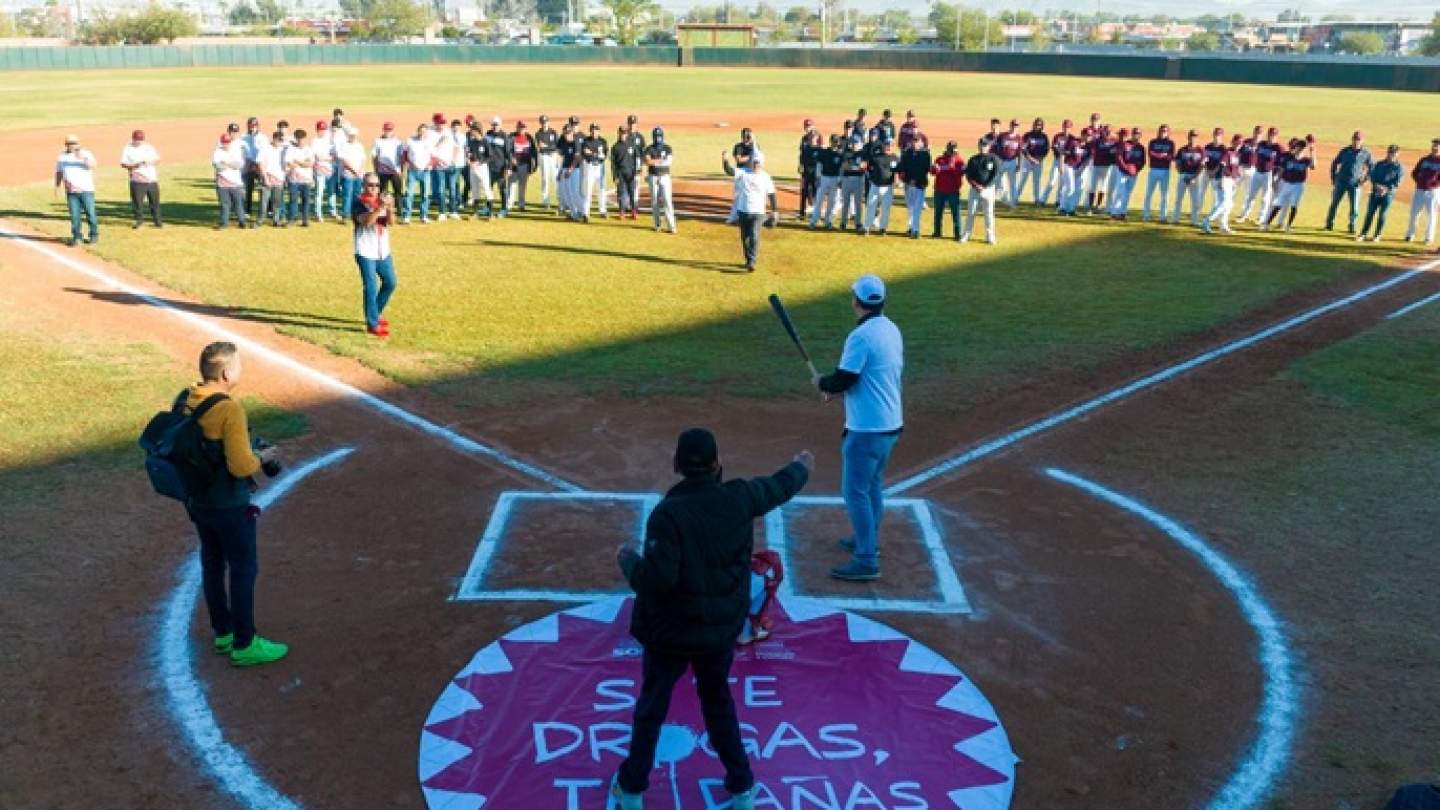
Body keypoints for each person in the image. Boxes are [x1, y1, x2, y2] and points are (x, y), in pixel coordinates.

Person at [610, 429, 812, 810]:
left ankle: (632, 790)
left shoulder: (668, 514)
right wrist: (801, 466)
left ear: (677, 467)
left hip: (669, 632)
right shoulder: (738, 497)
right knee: (717, 702)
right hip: (719, 631)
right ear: (717, 464)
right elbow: (778, 487)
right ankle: (741, 787)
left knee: (652, 706)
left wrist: (629, 561)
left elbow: (657, 581)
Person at [181, 341, 288, 667]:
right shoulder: (229, 408)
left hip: (199, 502)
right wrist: (264, 456)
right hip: (229, 504)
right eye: (239, 365)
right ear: (227, 373)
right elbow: (241, 466)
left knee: (213, 565)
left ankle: (223, 633)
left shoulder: (187, 398)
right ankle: (245, 643)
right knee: (243, 569)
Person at [813, 275, 903, 582]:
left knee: (854, 491)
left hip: (867, 428)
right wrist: (834, 388)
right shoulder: (891, 329)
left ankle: (866, 557)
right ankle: (867, 538)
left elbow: (845, 379)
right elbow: (867, 377)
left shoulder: (861, 337)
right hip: (891, 423)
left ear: (856, 301)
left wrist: (823, 384)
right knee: (873, 484)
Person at [353, 173, 398, 339]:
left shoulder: (382, 199)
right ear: (364, 185)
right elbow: (366, 221)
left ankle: (374, 313)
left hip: (383, 251)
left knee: (391, 282)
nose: (374, 188)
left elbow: (391, 222)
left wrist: (391, 208)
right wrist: (379, 208)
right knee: (371, 287)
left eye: (377, 185)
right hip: (365, 251)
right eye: (371, 185)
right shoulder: (359, 202)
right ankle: (372, 324)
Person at [727, 153, 778, 271]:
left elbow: (771, 194)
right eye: (754, 162)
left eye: (758, 163)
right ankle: (748, 259)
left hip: (758, 212)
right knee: (745, 237)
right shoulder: (743, 172)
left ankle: (752, 261)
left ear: (762, 164)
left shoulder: (766, 177)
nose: (756, 165)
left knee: (754, 234)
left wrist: (775, 211)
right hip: (743, 210)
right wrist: (724, 160)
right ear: (751, 162)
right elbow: (729, 171)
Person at [1265, 136, 1317, 234]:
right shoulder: (1289, 157)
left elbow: (1313, 166)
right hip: (1287, 184)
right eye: (1299, 147)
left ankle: (1288, 226)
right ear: (1296, 147)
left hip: (1298, 185)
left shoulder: (1305, 160)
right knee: (1278, 203)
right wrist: (1276, 181)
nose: (1300, 149)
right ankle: (1267, 224)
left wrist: (1312, 152)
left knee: (1294, 205)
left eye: (1302, 148)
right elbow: (1281, 170)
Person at [55, 134, 98, 246]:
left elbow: (93, 165)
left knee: (91, 214)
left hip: (86, 190)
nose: (72, 145)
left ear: (78, 144)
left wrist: (82, 158)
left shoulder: (86, 154)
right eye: (70, 144)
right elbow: (59, 172)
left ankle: (93, 235)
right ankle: (77, 237)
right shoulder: (62, 157)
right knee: (74, 216)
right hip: (71, 192)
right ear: (66, 145)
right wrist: (57, 186)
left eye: (74, 143)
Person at [1326, 130, 1373, 233]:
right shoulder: (1345, 150)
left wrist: (1365, 180)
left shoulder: (1366, 153)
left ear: (1362, 140)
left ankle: (1352, 225)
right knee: (1334, 203)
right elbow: (1334, 163)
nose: (1356, 141)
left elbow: (1371, 167)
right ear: (1352, 139)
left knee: (1354, 207)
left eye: (1358, 139)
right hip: (1341, 181)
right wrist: (1333, 178)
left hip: (1355, 183)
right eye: (1355, 139)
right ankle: (1329, 223)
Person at [1357, 145, 1403, 242]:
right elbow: (1373, 176)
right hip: (1375, 192)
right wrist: (1377, 186)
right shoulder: (1379, 164)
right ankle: (1363, 234)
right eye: (1390, 152)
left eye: (1394, 153)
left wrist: (1386, 189)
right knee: (1369, 213)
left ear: (1398, 154)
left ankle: (1377, 235)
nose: (1391, 154)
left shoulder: (1399, 168)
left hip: (1388, 195)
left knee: (1382, 215)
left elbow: (1397, 182)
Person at [120, 129, 161, 229]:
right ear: (133, 139)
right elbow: (123, 163)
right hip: (137, 180)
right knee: (138, 203)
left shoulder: (149, 147)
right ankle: (139, 221)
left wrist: (150, 162)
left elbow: (157, 159)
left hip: (151, 179)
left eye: (141, 140)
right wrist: (134, 165)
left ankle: (157, 221)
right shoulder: (128, 148)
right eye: (137, 139)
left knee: (154, 202)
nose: (139, 141)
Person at [1240, 127, 1282, 224]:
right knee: (1251, 195)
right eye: (1271, 134)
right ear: (1268, 134)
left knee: (1265, 197)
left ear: (1276, 136)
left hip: (1268, 173)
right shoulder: (1261, 144)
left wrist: (1276, 177)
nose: (1272, 136)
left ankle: (1261, 218)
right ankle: (1244, 215)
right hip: (1257, 172)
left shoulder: (1278, 148)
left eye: (1274, 135)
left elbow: (1281, 163)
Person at [1202, 134, 1242, 235]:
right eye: (1236, 142)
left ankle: (1223, 226)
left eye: (1240, 143)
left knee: (1227, 204)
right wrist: (1222, 180)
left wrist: (1236, 179)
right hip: (1223, 179)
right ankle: (1207, 220)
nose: (1238, 144)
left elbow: (1235, 168)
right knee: (1224, 203)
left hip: (1231, 180)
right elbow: (1221, 166)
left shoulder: (1237, 154)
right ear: (1232, 142)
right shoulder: (1227, 153)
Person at [861, 138, 900, 236]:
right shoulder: (876, 157)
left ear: (893, 146)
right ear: (883, 146)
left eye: (891, 145)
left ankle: (883, 228)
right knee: (870, 206)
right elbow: (866, 167)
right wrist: (869, 176)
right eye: (887, 145)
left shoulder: (895, 158)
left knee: (886, 208)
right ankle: (867, 227)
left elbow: (897, 171)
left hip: (887, 188)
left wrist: (897, 180)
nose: (888, 147)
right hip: (875, 186)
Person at [1404, 139, 1440, 245]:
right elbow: (1414, 172)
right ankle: (1410, 234)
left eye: (1437, 146)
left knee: (1431, 215)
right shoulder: (1424, 159)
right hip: (1419, 190)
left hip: (1433, 192)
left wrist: (1432, 184)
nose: (1435, 148)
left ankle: (1429, 237)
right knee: (1414, 213)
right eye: (1434, 146)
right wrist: (1419, 181)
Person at [962, 145, 1000, 245]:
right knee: (971, 212)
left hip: (989, 190)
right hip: (975, 190)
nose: (983, 148)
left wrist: (985, 186)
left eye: (985, 146)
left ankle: (990, 236)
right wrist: (976, 185)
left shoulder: (994, 159)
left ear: (988, 147)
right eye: (981, 146)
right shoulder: (973, 159)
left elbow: (995, 175)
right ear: (978, 147)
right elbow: (968, 175)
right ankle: (966, 234)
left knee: (989, 214)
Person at [212, 132, 249, 230]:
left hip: (236, 184)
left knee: (238, 204)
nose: (226, 144)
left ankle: (242, 222)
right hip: (222, 183)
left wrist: (225, 163)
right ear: (221, 142)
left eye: (227, 142)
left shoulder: (236, 151)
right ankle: (224, 223)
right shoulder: (217, 151)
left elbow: (239, 165)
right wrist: (230, 164)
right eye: (224, 142)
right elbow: (218, 166)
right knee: (225, 205)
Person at [929, 140, 964, 239]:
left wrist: (952, 168)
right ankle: (937, 232)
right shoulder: (940, 159)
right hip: (940, 190)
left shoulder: (959, 160)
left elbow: (961, 173)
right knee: (938, 213)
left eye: (954, 150)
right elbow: (932, 172)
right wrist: (934, 168)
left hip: (953, 191)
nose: (953, 152)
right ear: (947, 149)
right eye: (951, 150)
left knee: (956, 213)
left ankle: (958, 234)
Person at [899, 134, 931, 239]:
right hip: (908, 184)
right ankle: (911, 227)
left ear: (921, 142)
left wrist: (915, 179)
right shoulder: (907, 153)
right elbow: (903, 167)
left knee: (917, 208)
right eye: (914, 141)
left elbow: (925, 169)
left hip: (919, 184)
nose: (915, 143)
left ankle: (915, 230)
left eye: (917, 141)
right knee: (910, 208)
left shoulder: (925, 154)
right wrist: (907, 179)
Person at [644, 126, 676, 233]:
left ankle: (672, 226)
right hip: (653, 177)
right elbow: (648, 162)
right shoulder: (649, 148)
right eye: (656, 136)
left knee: (667, 200)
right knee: (654, 202)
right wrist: (660, 160)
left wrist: (655, 161)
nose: (658, 138)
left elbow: (669, 162)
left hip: (665, 177)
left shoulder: (668, 148)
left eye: (659, 136)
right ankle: (657, 225)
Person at [1108, 129, 1145, 220]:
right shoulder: (1125, 144)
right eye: (1134, 134)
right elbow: (1119, 158)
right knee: (1120, 192)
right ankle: (1114, 212)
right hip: (1122, 172)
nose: (1136, 135)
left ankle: (1122, 213)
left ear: (1140, 136)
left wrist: (1136, 170)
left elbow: (1143, 161)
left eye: (1138, 134)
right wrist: (1126, 168)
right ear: (1131, 135)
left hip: (1133, 174)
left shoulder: (1141, 147)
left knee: (1127, 193)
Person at [1170, 130, 1205, 226]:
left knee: (1195, 200)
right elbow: (1177, 164)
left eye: (1195, 136)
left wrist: (1194, 177)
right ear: (1188, 137)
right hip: (1184, 175)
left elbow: (1202, 166)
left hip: (1195, 177)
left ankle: (1194, 221)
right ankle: (1175, 219)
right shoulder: (1182, 150)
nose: (1193, 138)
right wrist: (1182, 174)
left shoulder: (1201, 151)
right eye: (1192, 136)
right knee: (1178, 199)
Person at [809, 134, 844, 230]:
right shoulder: (824, 152)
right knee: (819, 200)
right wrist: (818, 177)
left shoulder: (840, 154)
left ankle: (828, 221)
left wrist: (840, 180)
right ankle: (813, 221)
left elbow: (841, 169)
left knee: (832, 202)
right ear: (830, 141)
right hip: (824, 178)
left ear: (838, 142)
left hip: (835, 179)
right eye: (833, 141)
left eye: (836, 141)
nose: (835, 143)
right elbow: (819, 165)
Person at [1142, 124, 1175, 222]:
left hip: (1165, 171)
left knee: (1164, 194)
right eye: (1161, 130)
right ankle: (1146, 215)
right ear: (1159, 131)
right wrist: (1162, 155)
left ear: (1168, 132)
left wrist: (1160, 156)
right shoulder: (1153, 142)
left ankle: (1163, 216)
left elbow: (1172, 157)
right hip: (1153, 170)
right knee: (1148, 193)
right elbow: (1150, 153)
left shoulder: (1170, 143)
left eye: (1165, 131)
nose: (1163, 132)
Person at [401, 123, 432, 224]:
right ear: (418, 131)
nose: (422, 133)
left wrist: (429, 164)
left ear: (427, 132)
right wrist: (408, 165)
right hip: (412, 171)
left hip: (425, 172)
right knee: (409, 194)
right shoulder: (410, 140)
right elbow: (405, 155)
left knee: (425, 195)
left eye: (424, 131)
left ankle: (424, 216)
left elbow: (434, 156)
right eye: (421, 131)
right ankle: (407, 216)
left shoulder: (430, 141)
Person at [283, 128, 315, 227]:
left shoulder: (309, 149)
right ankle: (292, 219)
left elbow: (310, 164)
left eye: (302, 139)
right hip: (294, 180)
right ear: (296, 139)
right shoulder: (290, 149)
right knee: (293, 200)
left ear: (305, 139)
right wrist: (303, 163)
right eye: (299, 139)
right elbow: (289, 163)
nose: (301, 141)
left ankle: (305, 220)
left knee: (306, 200)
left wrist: (298, 162)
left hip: (306, 180)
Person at [256, 130, 287, 227]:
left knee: (277, 201)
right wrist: (265, 178)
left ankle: (276, 220)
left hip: (279, 179)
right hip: (267, 178)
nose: (280, 142)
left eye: (281, 140)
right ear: (274, 139)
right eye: (279, 140)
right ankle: (260, 220)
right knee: (263, 202)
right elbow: (260, 163)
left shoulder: (283, 149)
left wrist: (284, 178)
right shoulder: (265, 148)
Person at [1057, 128, 1091, 217]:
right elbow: (1063, 153)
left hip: (1079, 169)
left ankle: (1071, 209)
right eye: (1087, 135)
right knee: (1070, 188)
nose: (1088, 137)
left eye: (1090, 136)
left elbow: (1088, 159)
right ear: (1082, 134)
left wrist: (1082, 169)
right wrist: (1061, 166)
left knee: (1077, 190)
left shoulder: (1088, 146)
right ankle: (1062, 208)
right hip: (1068, 166)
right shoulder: (1073, 142)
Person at [1041, 119, 1074, 208]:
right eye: (1065, 127)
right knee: (1052, 181)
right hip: (1057, 161)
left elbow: (1071, 151)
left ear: (1071, 128)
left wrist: (1063, 152)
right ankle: (1043, 199)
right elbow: (1054, 147)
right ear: (1062, 127)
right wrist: (1063, 152)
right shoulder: (1057, 136)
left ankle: (1058, 201)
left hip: (1066, 163)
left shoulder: (1072, 139)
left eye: (1068, 127)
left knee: (1062, 183)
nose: (1066, 129)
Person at [580, 122, 609, 222]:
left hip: (600, 167)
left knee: (602, 189)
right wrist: (596, 154)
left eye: (596, 129)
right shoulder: (586, 141)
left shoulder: (603, 141)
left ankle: (602, 211)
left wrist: (592, 153)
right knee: (588, 190)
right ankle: (585, 213)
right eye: (592, 129)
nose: (594, 131)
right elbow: (585, 153)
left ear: (599, 131)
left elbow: (604, 156)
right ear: (590, 130)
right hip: (590, 167)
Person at [429, 114, 456, 221]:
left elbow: (455, 146)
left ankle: (453, 211)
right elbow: (429, 149)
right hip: (439, 165)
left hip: (450, 164)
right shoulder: (429, 133)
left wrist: (453, 160)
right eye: (439, 123)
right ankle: (442, 212)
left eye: (443, 123)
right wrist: (437, 160)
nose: (441, 125)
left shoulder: (448, 131)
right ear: (434, 123)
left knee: (452, 189)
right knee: (441, 189)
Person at [484, 116, 512, 218]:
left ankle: (504, 209)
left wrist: (508, 168)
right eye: (493, 125)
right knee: (488, 188)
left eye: (496, 124)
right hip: (489, 167)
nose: (495, 126)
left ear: (500, 125)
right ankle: (488, 207)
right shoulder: (487, 134)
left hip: (501, 168)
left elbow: (508, 153)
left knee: (502, 189)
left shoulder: (504, 136)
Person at [992, 119, 1024, 209]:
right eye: (1013, 125)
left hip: (1012, 162)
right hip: (1001, 161)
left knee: (1013, 184)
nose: (1015, 127)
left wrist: (1019, 164)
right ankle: (992, 201)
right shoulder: (1002, 136)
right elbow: (995, 149)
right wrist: (997, 160)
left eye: (1016, 126)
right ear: (1010, 126)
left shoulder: (1019, 138)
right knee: (996, 181)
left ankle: (1013, 203)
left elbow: (1020, 153)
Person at [838, 133, 866, 232]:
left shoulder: (863, 153)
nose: (854, 145)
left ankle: (858, 223)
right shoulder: (847, 153)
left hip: (858, 180)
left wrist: (852, 167)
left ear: (860, 143)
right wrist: (856, 167)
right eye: (853, 143)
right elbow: (844, 166)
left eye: (856, 143)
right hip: (847, 179)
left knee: (858, 203)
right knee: (845, 203)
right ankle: (843, 223)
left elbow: (863, 167)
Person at [611, 125, 641, 221]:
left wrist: (637, 171)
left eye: (625, 133)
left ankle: (634, 212)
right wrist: (615, 176)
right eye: (621, 133)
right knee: (621, 193)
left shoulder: (632, 145)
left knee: (632, 193)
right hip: (620, 173)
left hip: (631, 172)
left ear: (627, 134)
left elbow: (637, 158)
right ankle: (622, 212)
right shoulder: (615, 147)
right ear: (618, 133)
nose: (623, 135)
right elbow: (613, 164)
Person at [336, 128, 367, 221]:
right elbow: (343, 160)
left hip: (359, 175)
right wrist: (353, 170)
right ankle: (345, 215)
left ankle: (356, 214)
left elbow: (363, 159)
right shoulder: (344, 146)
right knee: (347, 195)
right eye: (351, 135)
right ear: (348, 135)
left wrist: (359, 171)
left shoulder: (359, 146)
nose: (353, 137)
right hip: (348, 175)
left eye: (354, 135)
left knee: (357, 195)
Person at [1017, 118, 1048, 206]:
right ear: (1033, 125)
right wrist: (1030, 158)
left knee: (1037, 181)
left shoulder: (1044, 137)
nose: (1037, 126)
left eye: (1039, 125)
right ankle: (1015, 197)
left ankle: (1037, 199)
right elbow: (1023, 149)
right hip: (1027, 161)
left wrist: (1040, 159)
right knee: (1022, 179)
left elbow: (1046, 149)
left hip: (1038, 161)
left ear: (1042, 126)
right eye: (1036, 124)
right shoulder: (1027, 135)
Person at [311, 120, 337, 223]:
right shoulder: (314, 141)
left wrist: (327, 158)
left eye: (324, 129)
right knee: (319, 193)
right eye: (320, 129)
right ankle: (318, 213)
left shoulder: (330, 141)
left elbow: (335, 155)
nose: (322, 131)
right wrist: (328, 158)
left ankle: (333, 211)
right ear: (317, 130)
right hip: (319, 170)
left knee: (332, 192)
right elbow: (317, 156)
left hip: (330, 171)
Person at [372, 122, 404, 203]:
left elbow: (401, 157)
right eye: (386, 129)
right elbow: (374, 156)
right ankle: (382, 209)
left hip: (395, 171)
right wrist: (376, 169)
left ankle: (399, 210)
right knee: (382, 191)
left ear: (393, 130)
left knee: (398, 191)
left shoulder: (398, 142)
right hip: (382, 171)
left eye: (390, 130)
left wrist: (402, 170)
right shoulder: (378, 141)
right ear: (383, 130)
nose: (388, 131)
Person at [508, 120, 537, 211]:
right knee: (511, 185)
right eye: (520, 127)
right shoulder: (512, 137)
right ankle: (509, 204)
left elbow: (534, 152)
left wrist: (534, 165)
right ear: (517, 128)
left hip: (525, 165)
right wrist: (511, 159)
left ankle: (521, 205)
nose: (521, 129)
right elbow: (508, 150)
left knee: (522, 186)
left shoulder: (529, 137)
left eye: (523, 128)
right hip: (514, 165)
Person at [240, 116, 264, 217]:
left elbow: (264, 152)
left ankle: (267, 209)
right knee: (248, 190)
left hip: (259, 166)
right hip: (248, 166)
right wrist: (248, 164)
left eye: (254, 126)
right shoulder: (243, 137)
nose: (252, 128)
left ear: (258, 126)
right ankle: (248, 210)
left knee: (263, 189)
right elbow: (243, 152)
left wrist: (257, 164)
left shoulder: (263, 137)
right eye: (251, 126)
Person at [535, 114, 560, 210]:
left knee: (556, 178)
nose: (544, 123)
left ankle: (560, 200)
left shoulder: (553, 132)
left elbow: (556, 146)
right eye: (542, 122)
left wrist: (547, 146)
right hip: (543, 157)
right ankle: (545, 201)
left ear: (548, 122)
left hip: (553, 156)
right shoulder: (538, 134)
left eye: (546, 122)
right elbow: (541, 146)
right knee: (545, 178)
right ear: (540, 123)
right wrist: (549, 146)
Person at [798, 123, 821, 219]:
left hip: (815, 174)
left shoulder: (820, 150)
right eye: (811, 137)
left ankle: (816, 213)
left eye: (814, 137)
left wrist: (819, 175)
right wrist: (801, 173)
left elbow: (821, 163)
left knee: (816, 194)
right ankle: (802, 213)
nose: (812, 139)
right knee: (804, 192)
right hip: (806, 173)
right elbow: (801, 161)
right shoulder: (805, 149)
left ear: (816, 138)